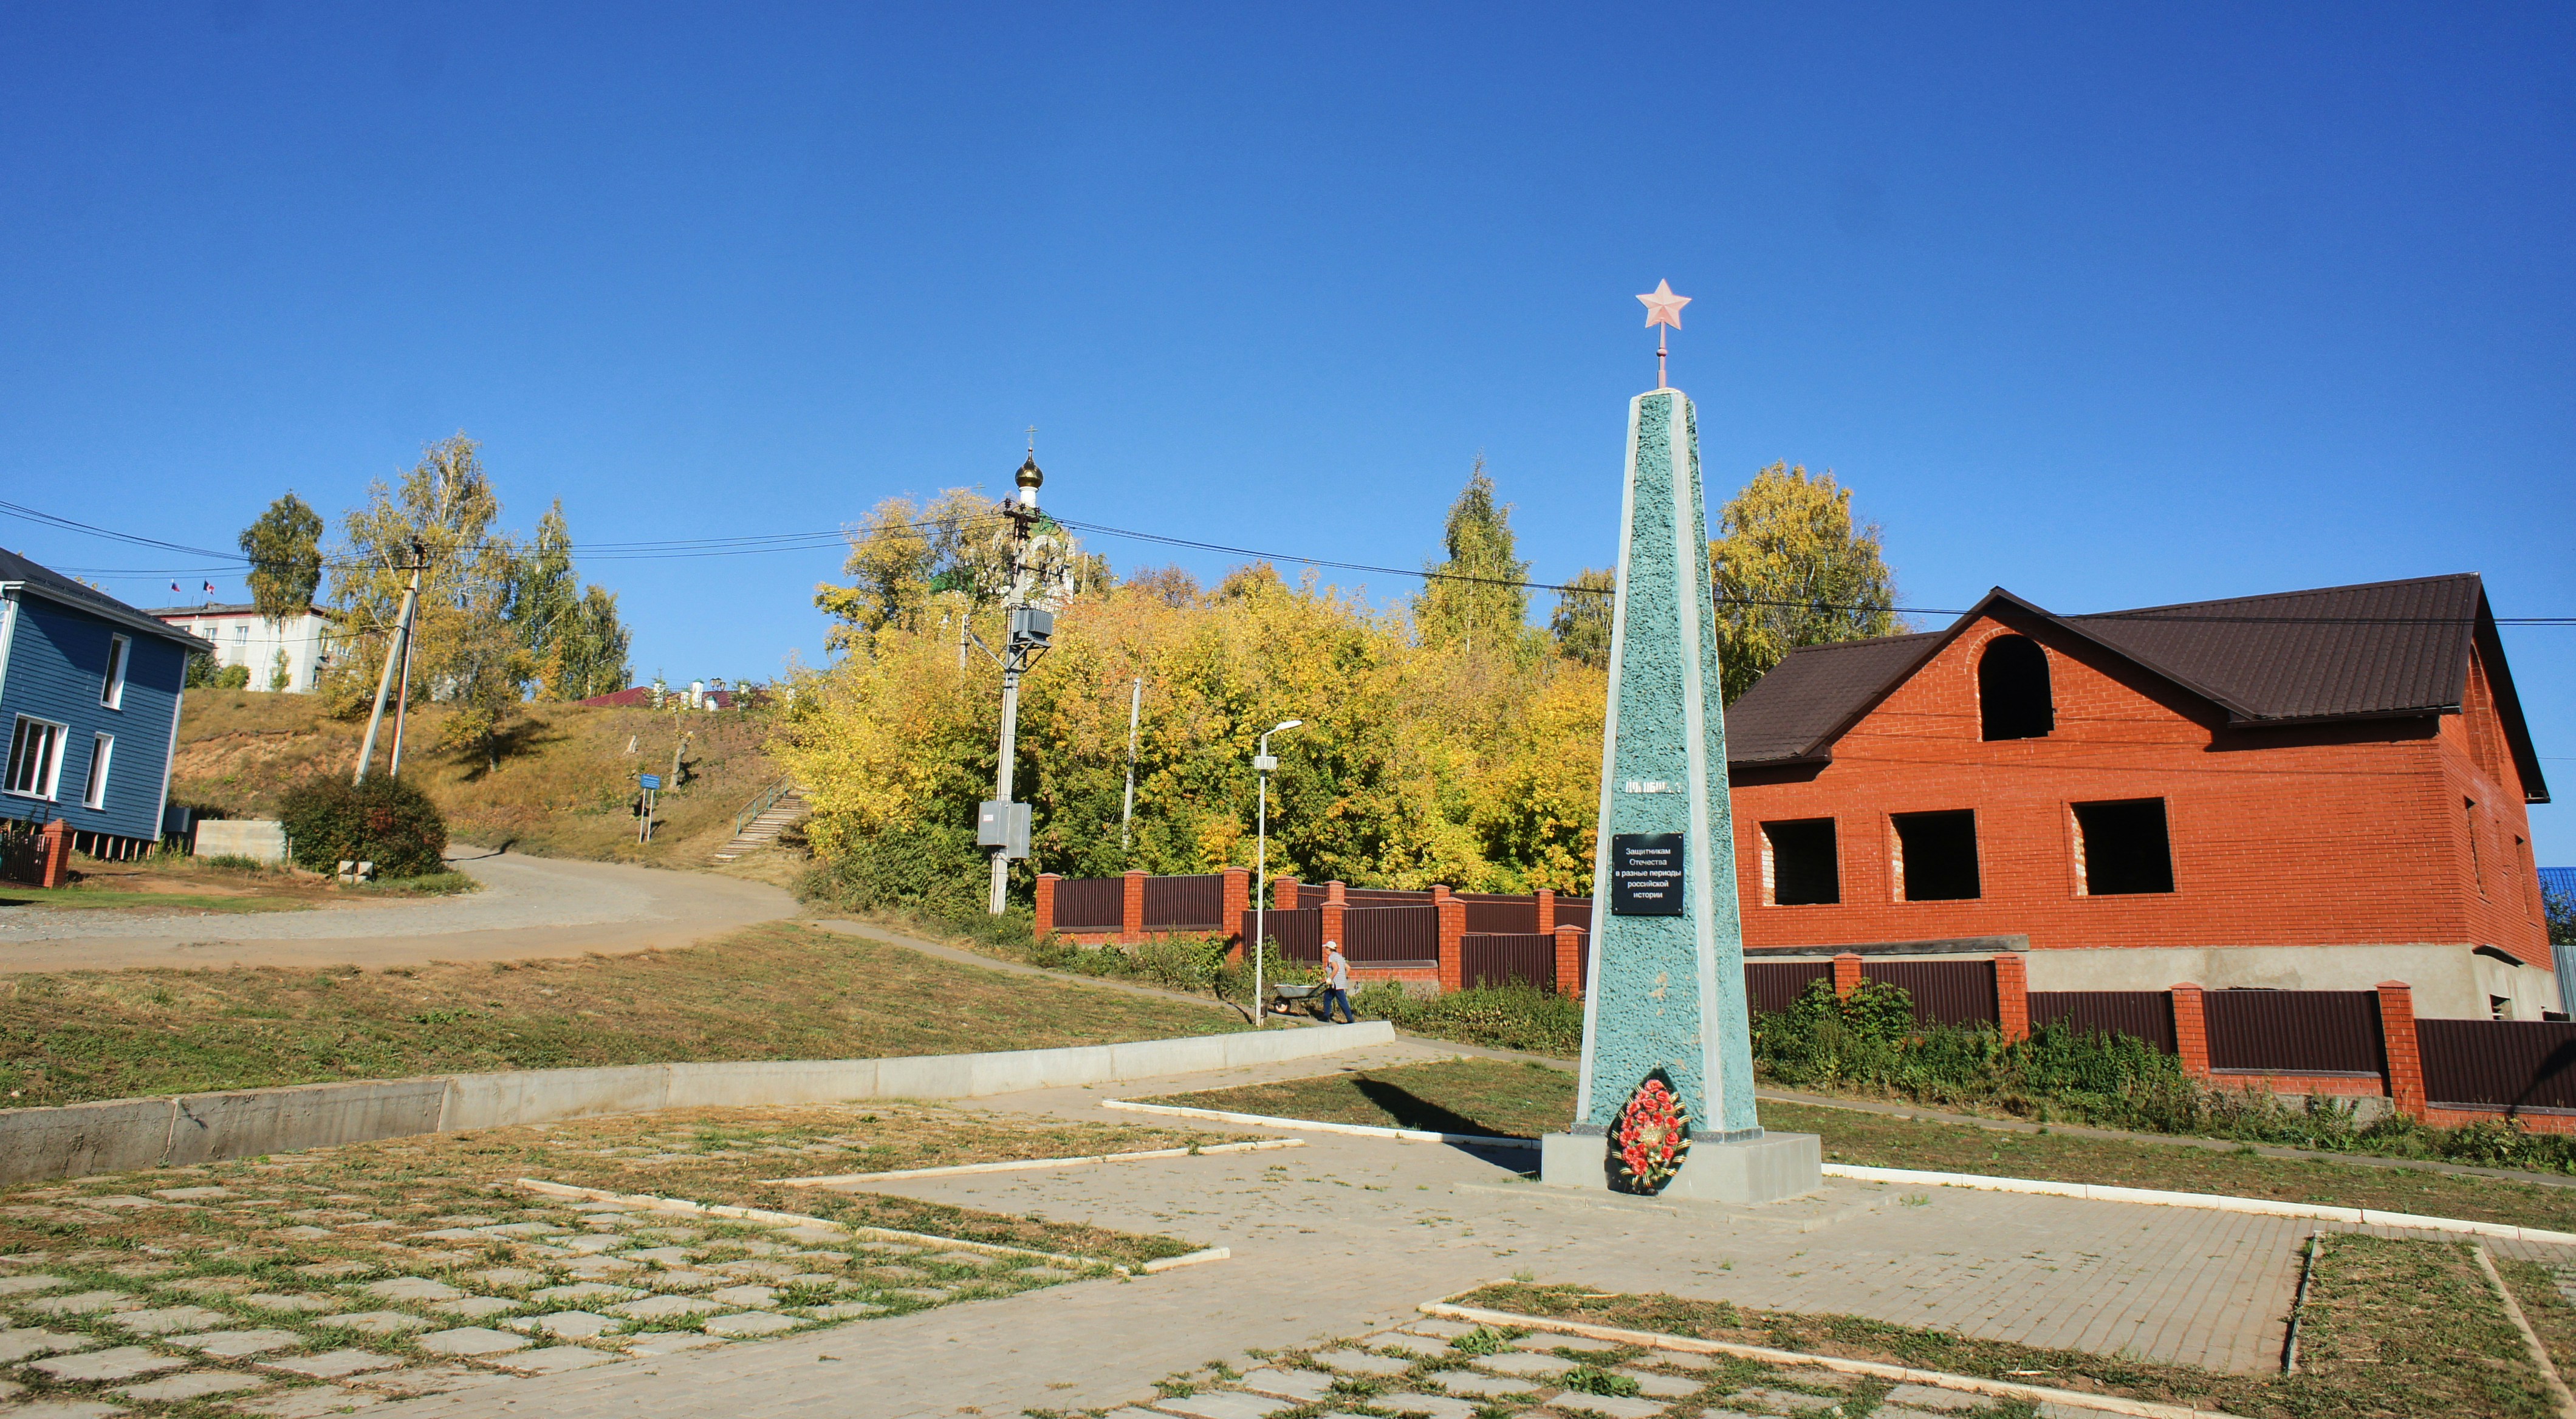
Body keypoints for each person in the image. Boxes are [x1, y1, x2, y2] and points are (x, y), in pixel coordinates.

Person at [1319, 939, 1357, 1024]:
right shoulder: (1339, 956)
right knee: (1327, 997)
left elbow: (1336, 968)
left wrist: (1330, 978)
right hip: (1338, 983)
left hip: (1336, 984)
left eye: (1326, 949)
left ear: (1329, 949)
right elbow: (1348, 968)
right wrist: (1343, 977)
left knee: (1342, 1001)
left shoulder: (1332, 957)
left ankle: (1350, 1019)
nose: (1325, 951)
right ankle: (1326, 1016)